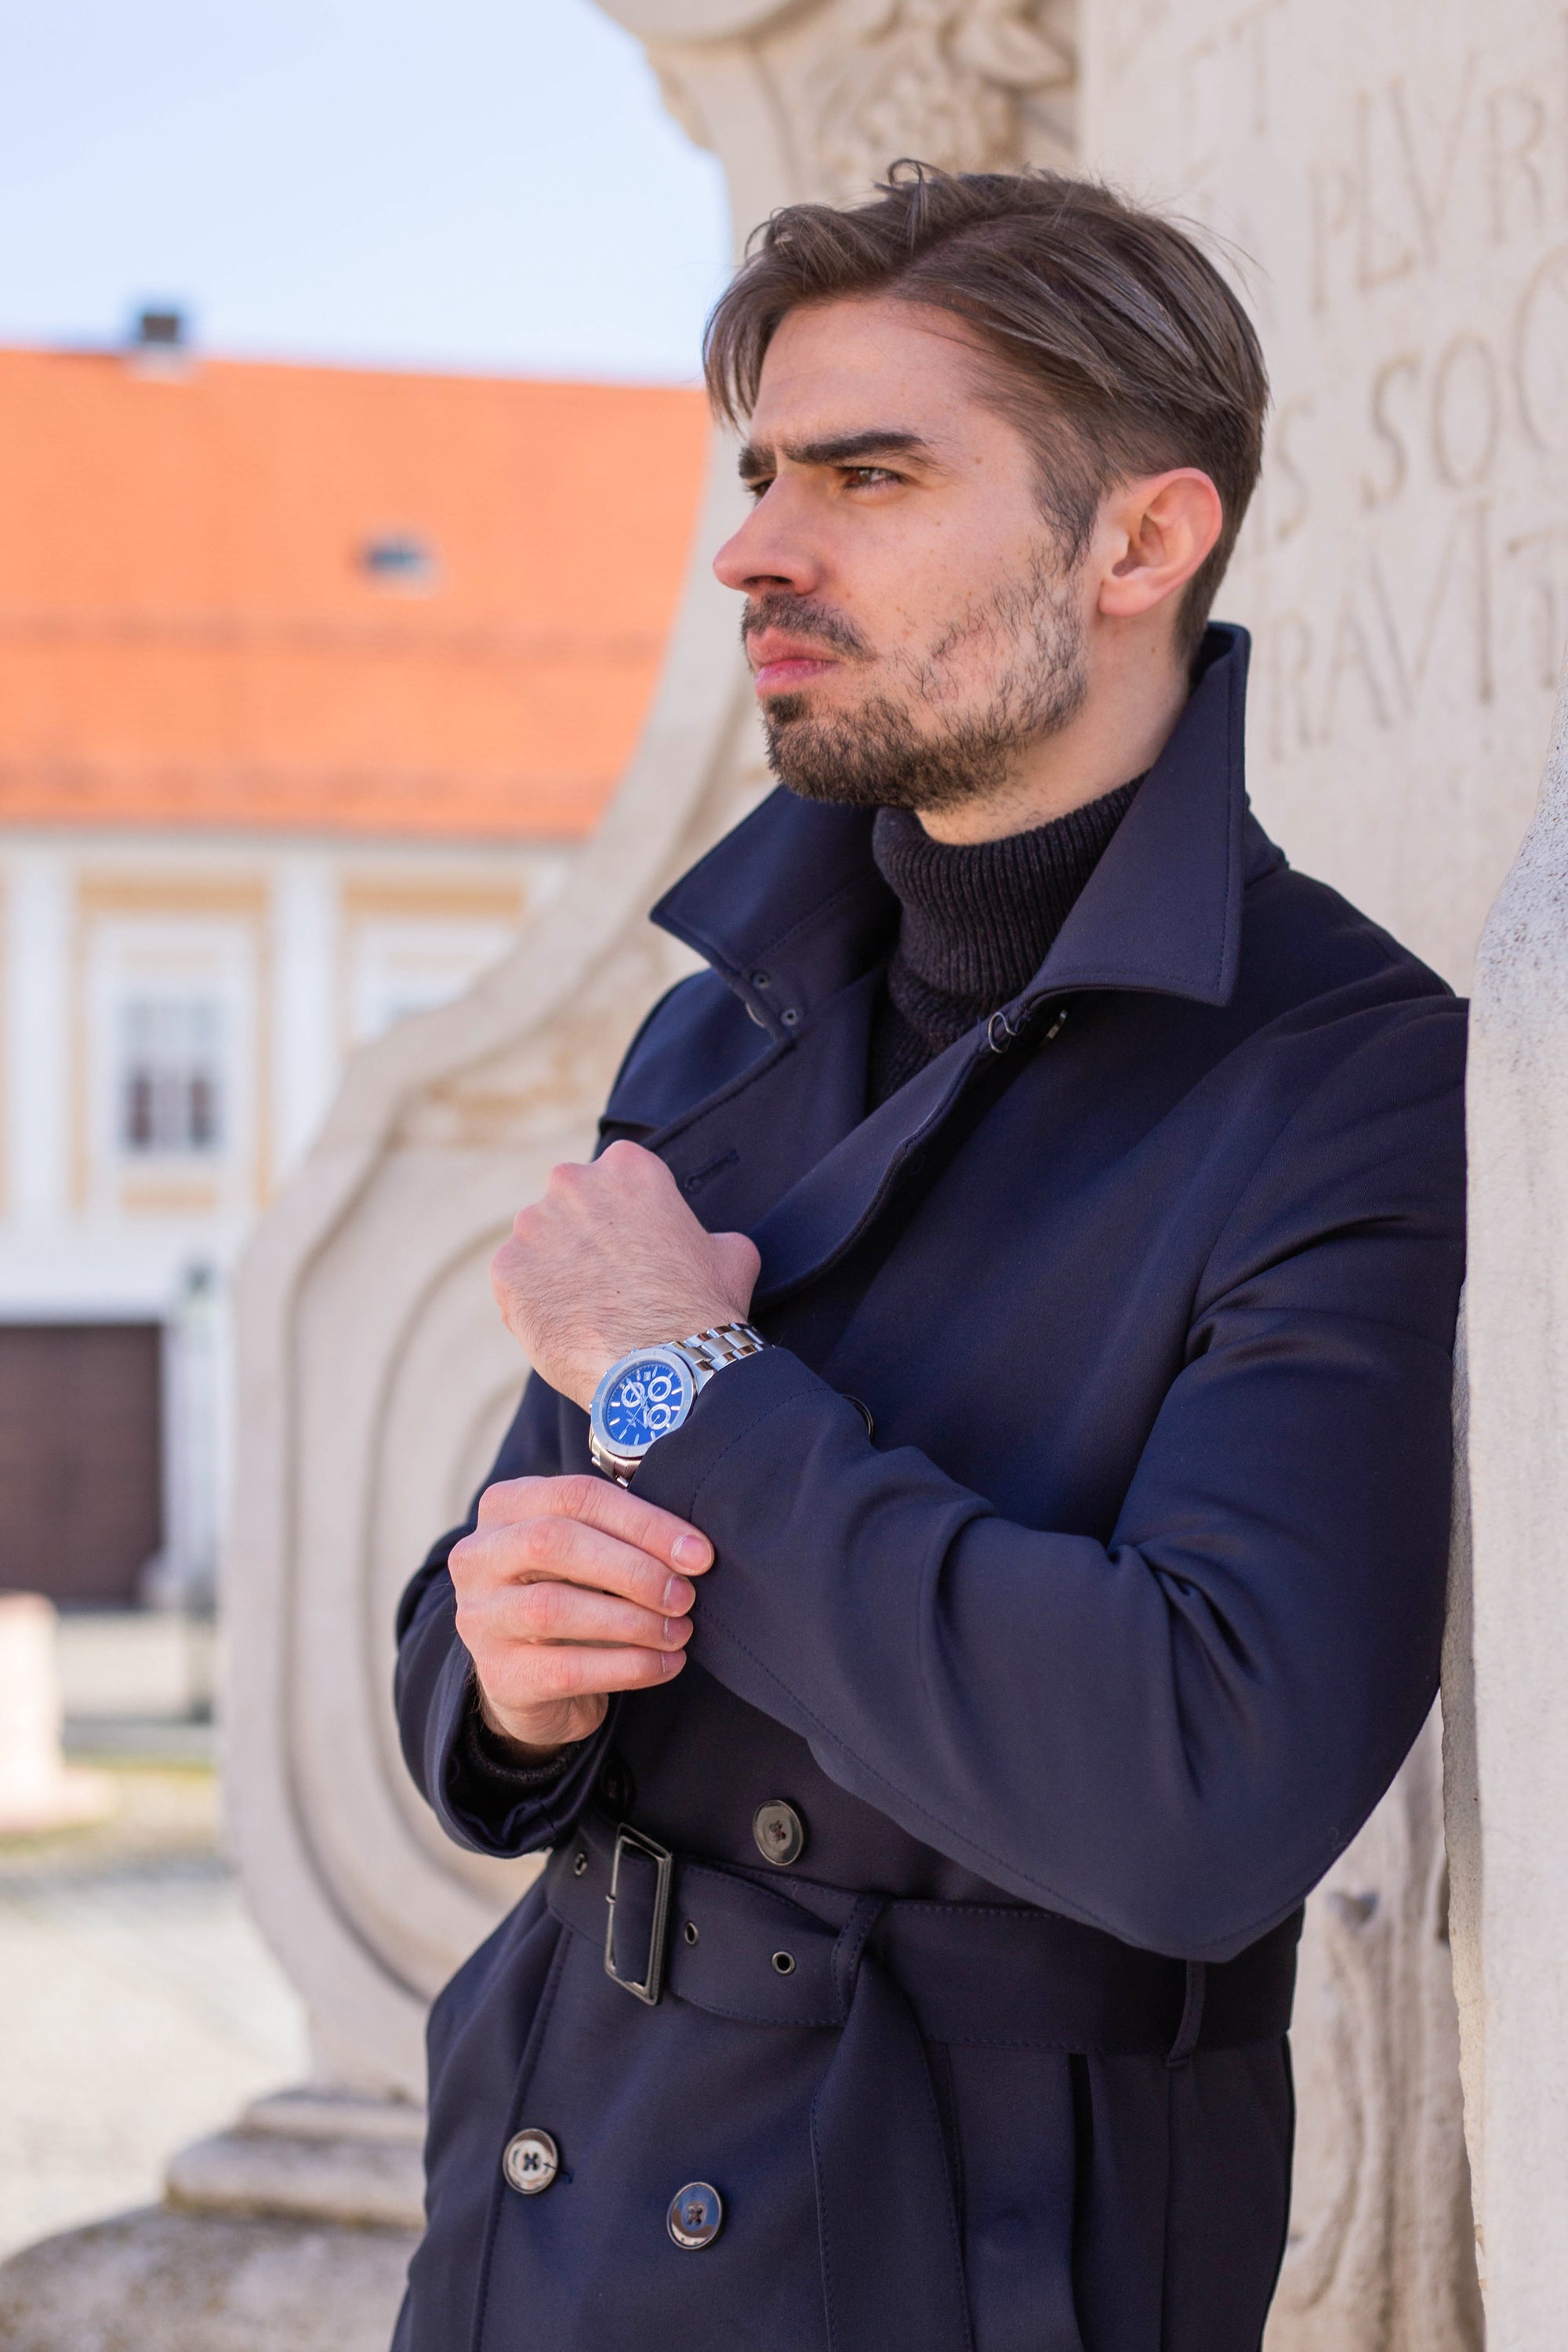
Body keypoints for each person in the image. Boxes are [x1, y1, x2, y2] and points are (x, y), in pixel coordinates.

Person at [391, 165, 1465, 2352]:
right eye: (769, 469)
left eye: (871, 475)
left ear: (1141, 543)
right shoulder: (731, 1007)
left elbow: (1204, 1790)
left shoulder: (1346, 1073)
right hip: (546, 2191)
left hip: (950, 2250)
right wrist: (497, 1677)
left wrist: (694, 1393)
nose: (759, 545)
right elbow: (499, 1594)